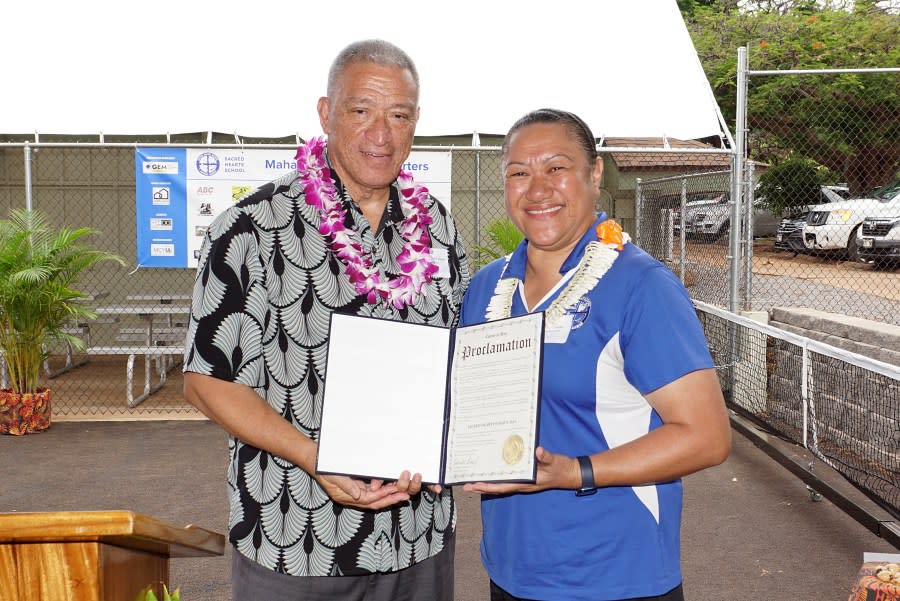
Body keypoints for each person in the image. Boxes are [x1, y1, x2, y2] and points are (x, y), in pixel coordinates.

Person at [183, 39, 470, 601]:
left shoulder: (438, 226)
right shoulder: (251, 228)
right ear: (325, 112)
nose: (380, 133)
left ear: (416, 122)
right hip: (295, 542)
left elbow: (456, 361)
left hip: (419, 537)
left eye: (399, 114)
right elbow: (205, 381)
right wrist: (315, 458)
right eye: (361, 110)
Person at [459, 108, 732, 601]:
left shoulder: (641, 286)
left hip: (615, 576)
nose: (537, 189)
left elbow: (707, 437)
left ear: (594, 173)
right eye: (519, 173)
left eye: (556, 168)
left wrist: (574, 472)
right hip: (512, 569)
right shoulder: (487, 287)